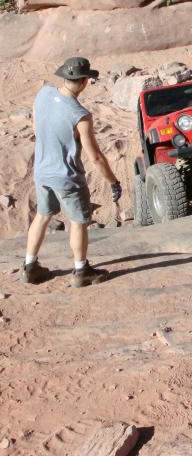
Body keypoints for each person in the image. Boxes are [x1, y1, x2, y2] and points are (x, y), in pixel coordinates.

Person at [22, 57, 122, 287]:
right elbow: (95, 157)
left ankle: (29, 266)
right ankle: (81, 270)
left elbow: (36, 128)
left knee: (42, 216)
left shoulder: (44, 94)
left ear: (65, 77)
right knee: (78, 222)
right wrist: (113, 181)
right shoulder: (80, 115)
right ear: (85, 81)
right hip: (67, 178)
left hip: (42, 172)